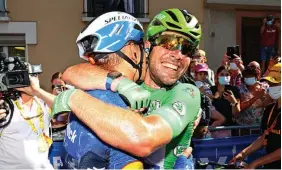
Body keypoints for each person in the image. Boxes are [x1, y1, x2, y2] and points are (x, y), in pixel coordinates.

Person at [55, 8, 202, 169]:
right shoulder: (128, 79)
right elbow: (71, 73)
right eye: (169, 43)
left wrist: (74, 98)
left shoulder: (187, 93)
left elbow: (144, 139)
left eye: (187, 49)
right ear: (148, 45)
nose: (178, 55)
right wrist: (119, 83)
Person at [0, 68, 54, 169]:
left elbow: (64, 107)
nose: (29, 79)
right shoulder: (5, 106)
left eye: (33, 75)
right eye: (25, 75)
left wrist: (37, 91)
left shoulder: (44, 102)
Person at [231, 63, 281, 169]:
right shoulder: (270, 109)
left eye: (276, 84)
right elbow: (265, 137)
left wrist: (256, 163)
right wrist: (243, 153)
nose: (271, 87)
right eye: (270, 84)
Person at [210, 66, 241, 138]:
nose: (224, 77)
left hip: (229, 128)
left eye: (227, 75)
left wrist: (233, 101)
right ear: (217, 76)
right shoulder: (211, 90)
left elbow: (236, 113)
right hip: (213, 128)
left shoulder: (234, 90)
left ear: (230, 77)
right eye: (222, 75)